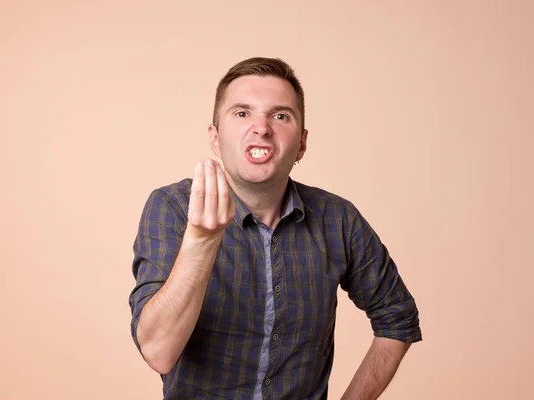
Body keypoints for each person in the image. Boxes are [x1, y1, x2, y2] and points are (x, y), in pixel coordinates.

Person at [128, 57, 422, 400]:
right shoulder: (174, 208)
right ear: (215, 137)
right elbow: (158, 353)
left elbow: (397, 317)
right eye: (242, 113)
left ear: (301, 144)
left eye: (280, 116)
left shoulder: (337, 218)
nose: (261, 128)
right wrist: (202, 240)